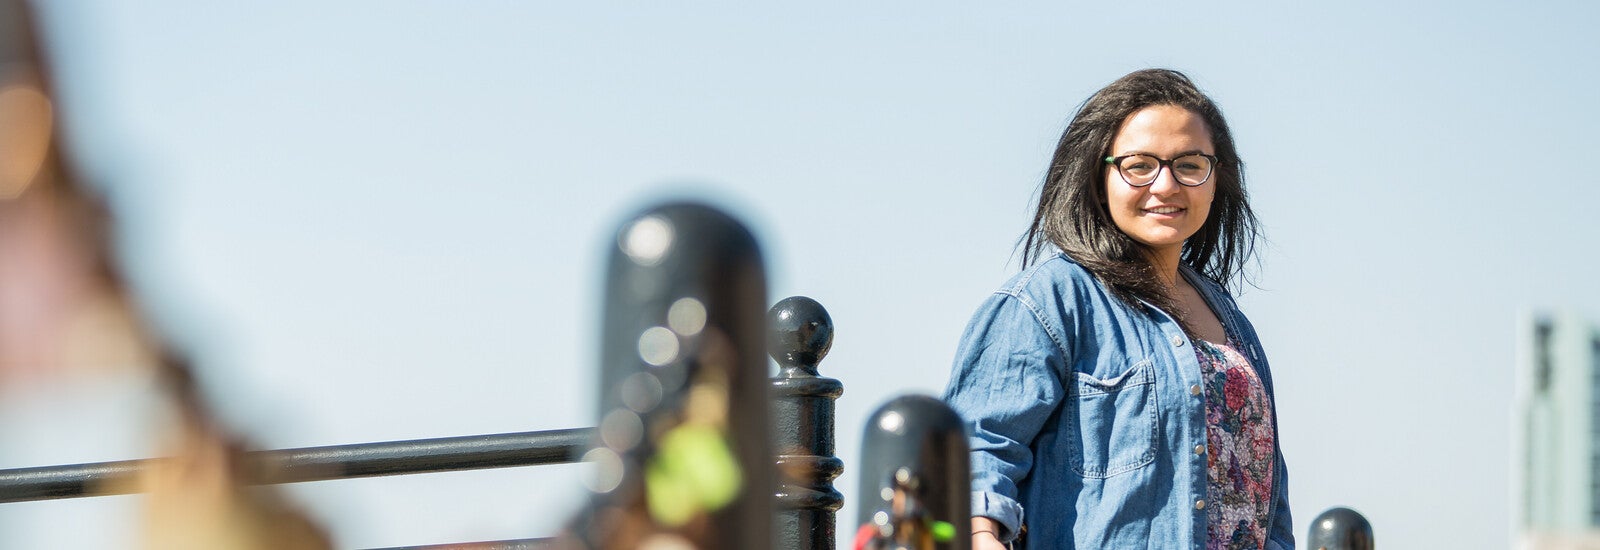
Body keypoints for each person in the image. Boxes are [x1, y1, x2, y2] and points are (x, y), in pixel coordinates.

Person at [943, 69, 1292, 549]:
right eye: (1139, 165)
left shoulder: (1233, 322)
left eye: (1189, 164)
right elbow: (973, 458)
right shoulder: (1047, 304)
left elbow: (1269, 500)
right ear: (1098, 174)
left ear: (1217, 178)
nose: (1166, 185)